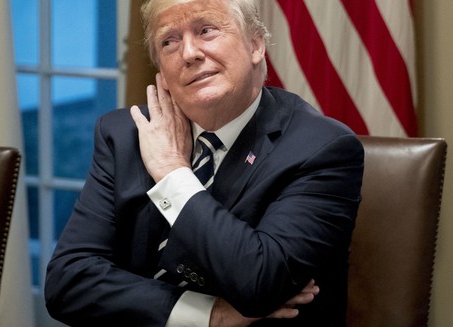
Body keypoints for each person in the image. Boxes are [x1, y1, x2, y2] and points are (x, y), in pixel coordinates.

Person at [45, 0, 364, 326]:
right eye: (168, 41)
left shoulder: (321, 148)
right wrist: (209, 315)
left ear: (255, 45)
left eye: (206, 30)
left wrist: (172, 171)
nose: (189, 53)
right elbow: (67, 282)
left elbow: (261, 283)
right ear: (162, 74)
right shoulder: (127, 134)